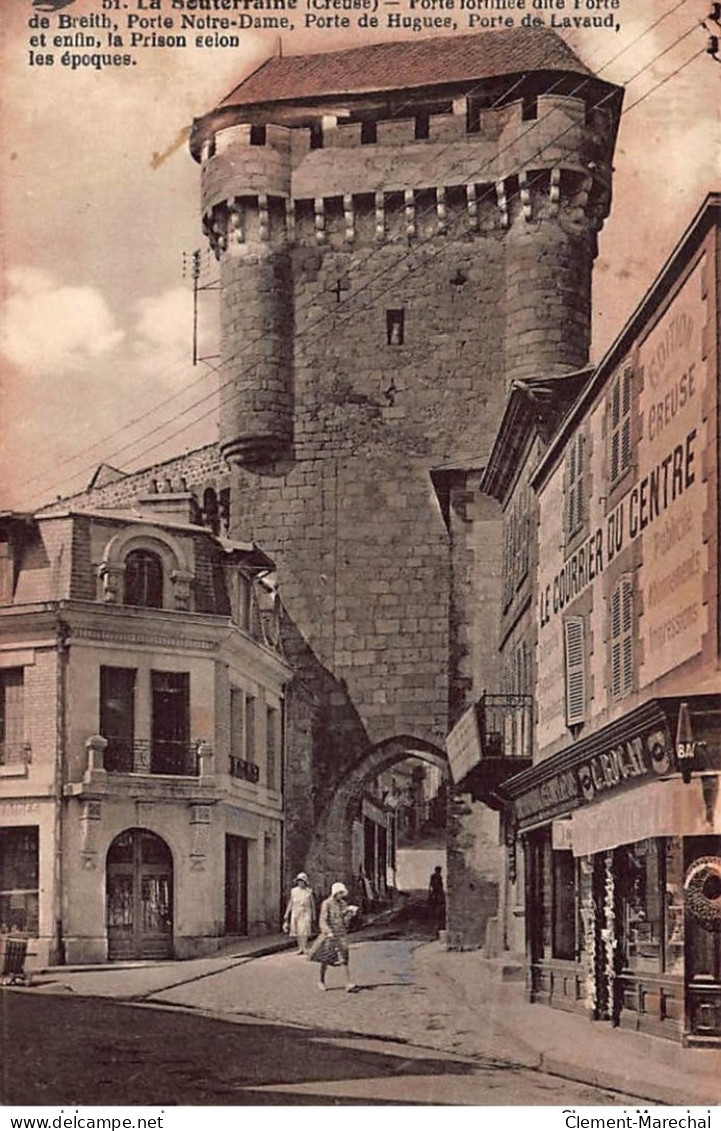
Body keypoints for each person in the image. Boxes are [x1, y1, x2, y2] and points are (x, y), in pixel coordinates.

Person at [308, 881, 359, 992]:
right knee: (325, 958)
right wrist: (328, 931)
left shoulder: (343, 904)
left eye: (342, 893)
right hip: (330, 935)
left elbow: (345, 922)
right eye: (340, 893)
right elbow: (322, 920)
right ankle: (321, 981)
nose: (341, 895)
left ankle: (348, 983)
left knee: (344, 958)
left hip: (341, 934)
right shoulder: (326, 904)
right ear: (335, 892)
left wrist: (349, 915)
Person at [282, 872, 316, 955]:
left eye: (302, 881)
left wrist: (314, 914)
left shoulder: (309, 891)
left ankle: (304, 947)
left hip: (306, 911)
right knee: (297, 930)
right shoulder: (294, 891)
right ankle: (300, 947)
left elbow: (312, 904)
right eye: (299, 881)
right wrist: (287, 913)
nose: (300, 883)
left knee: (304, 930)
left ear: (305, 882)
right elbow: (291, 902)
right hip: (296, 912)